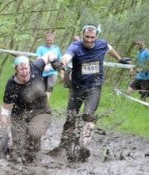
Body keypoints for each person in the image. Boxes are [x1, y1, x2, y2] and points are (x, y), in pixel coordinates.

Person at [53, 24, 128, 162]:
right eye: (87, 37)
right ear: (83, 35)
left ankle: (82, 146)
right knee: (71, 117)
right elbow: (67, 56)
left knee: (88, 116)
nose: (89, 40)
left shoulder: (102, 44)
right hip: (77, 87)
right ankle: (64, 146)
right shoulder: (76, 46)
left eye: (92, 37)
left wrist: (119, 58)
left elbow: (109, 48)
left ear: (96, 37)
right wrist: (61, 64)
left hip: (94, 87)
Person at [0, 52, 63, 163]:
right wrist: (4, 116)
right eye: (21, 69)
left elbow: (48, 55)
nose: (24, 72)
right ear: (16, 70)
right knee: (18, 148)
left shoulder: (36, 67)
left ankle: (34, 160)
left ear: (30, 66)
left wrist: (53, 61)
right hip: (19, 114)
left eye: (26, 69)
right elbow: (6, 105)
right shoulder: (11, 84)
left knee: (34, 134)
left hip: (41, 111)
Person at [36, 32, 62, 100]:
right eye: (48, 40)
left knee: (49, 87)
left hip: (53, 71)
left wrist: (61, 71)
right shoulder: (41, 48)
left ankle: (46, 103)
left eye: (50, 40)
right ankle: (40, 103)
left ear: (53, 40)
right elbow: (38, 59)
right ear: (45, 40)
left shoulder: (57, 48)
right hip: (43, 71)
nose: (49, 42)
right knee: (42, 88)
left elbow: (60, 60)